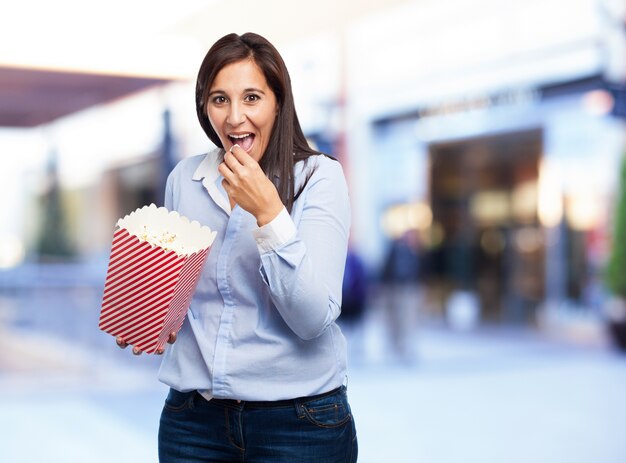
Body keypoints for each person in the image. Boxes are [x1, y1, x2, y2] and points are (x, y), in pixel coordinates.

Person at [116, 32, 357, 462]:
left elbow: (312, 319)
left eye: (251, 97)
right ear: (205, 107)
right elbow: (181, 298)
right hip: (193, 422)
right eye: (220, 100)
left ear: (277, 103)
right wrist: (150, 317)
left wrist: (268, 212)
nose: (234, 118)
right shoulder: (184, 180)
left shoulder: (318, 179)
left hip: (300, 423)